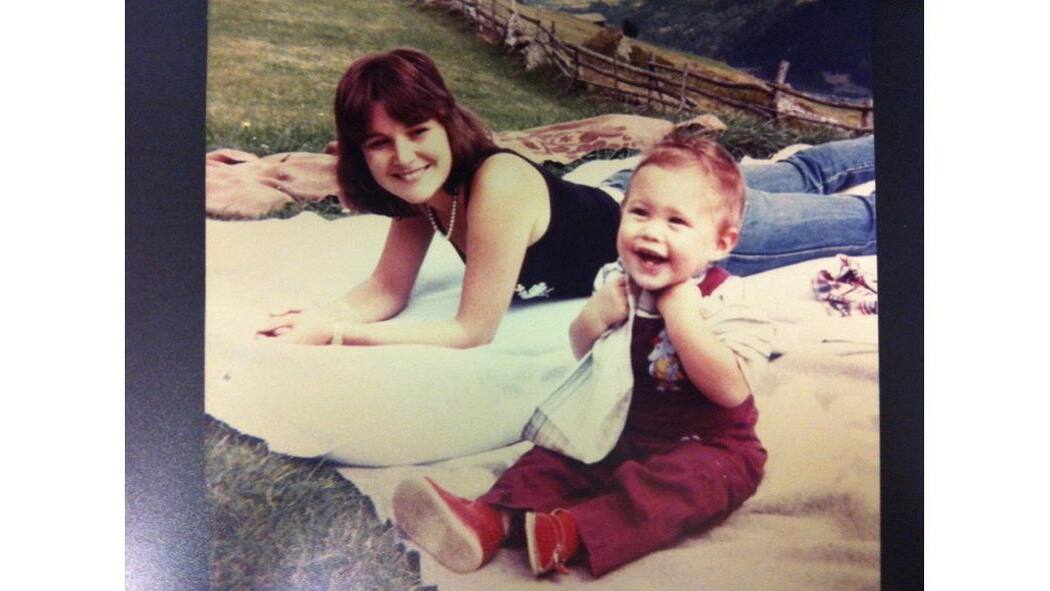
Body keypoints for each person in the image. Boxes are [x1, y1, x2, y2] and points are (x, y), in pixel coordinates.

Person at [256, 47, 875, 348]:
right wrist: (322, 315)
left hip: (669, 228)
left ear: (446, 123)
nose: (403, 156)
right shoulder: (423, 194)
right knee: (805, 171)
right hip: (625, 194)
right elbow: (386, 290)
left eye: (417, 131)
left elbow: (472, 330)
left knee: (866, 219)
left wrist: (339, 337)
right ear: (359, 152)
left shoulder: (494, 184)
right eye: (378, 143)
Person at [391, 137, 772, 577]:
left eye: (676, 221)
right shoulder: (614, 280)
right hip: (622, 427)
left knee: (686, 487)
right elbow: (580, 347)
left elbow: (730, 390)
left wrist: (682, 316)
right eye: (640, 212)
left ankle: (568, 532)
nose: (652, 231)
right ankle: (491, 519)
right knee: (553, 459)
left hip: (707, 444)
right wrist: (594, 315)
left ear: (721, 242)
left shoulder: (727, 298)